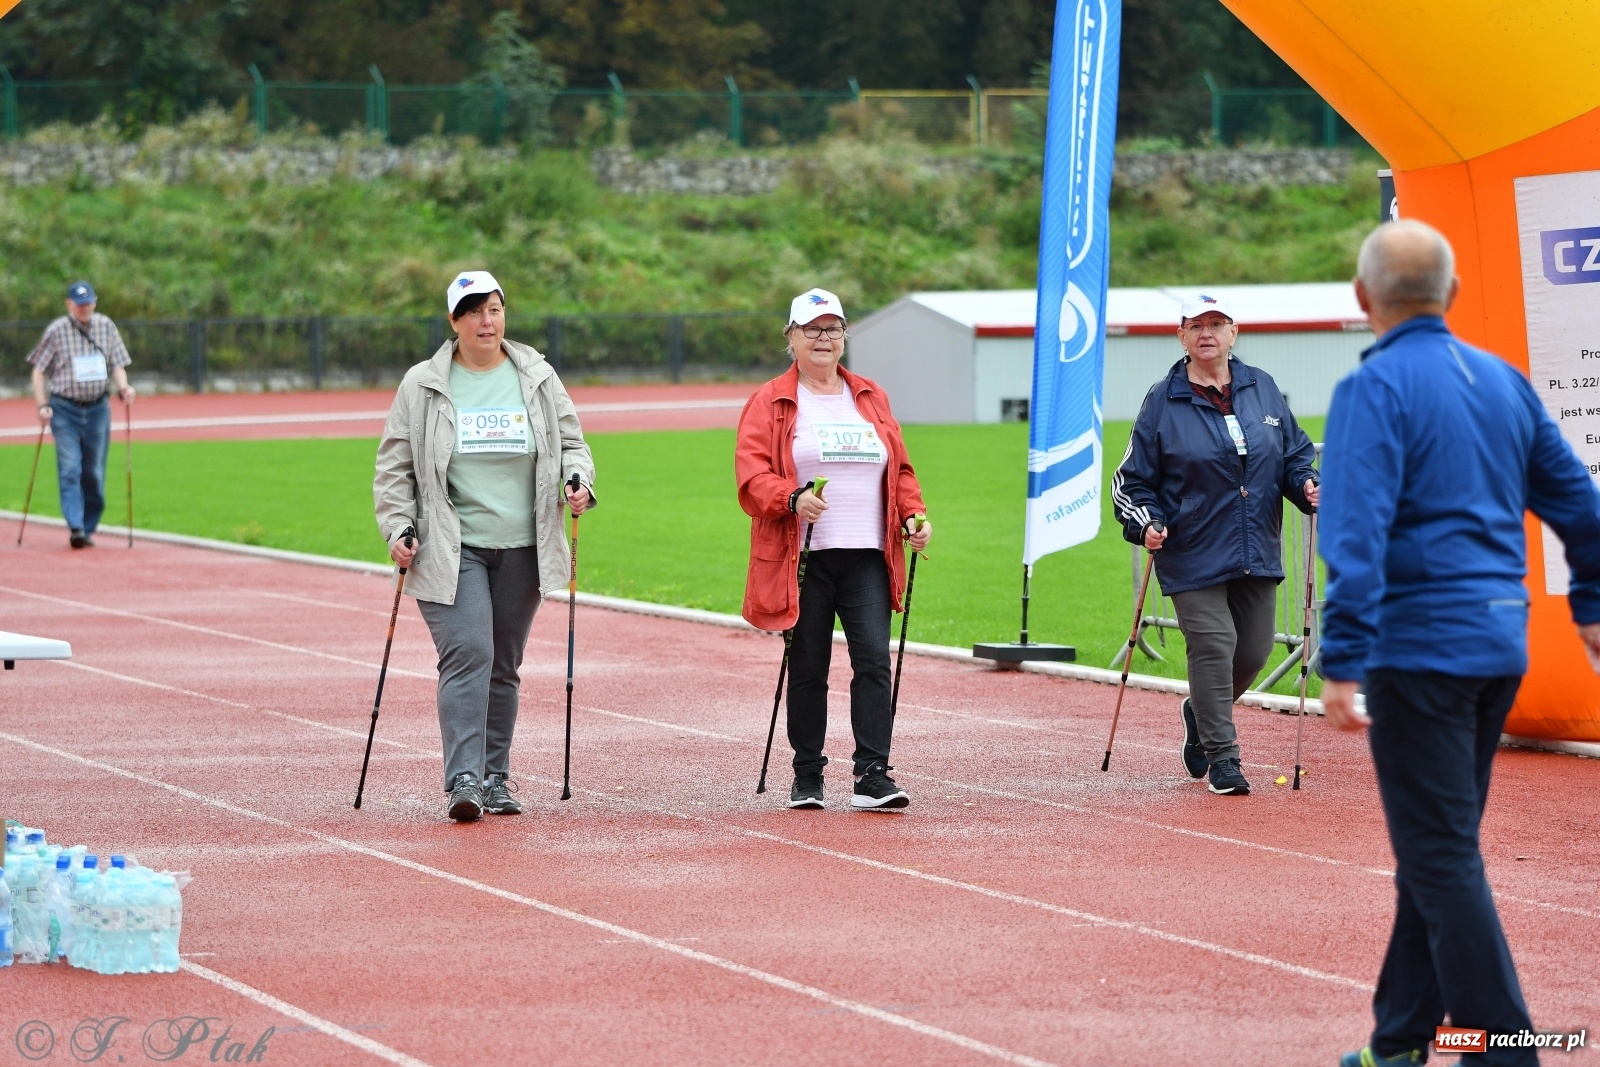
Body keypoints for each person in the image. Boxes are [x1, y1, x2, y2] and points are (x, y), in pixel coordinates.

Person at [1320, 220, 1600, 1067]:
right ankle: (1400, 1040)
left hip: (1418, 651)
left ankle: (1508, 1051)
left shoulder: (1371, 390)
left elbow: (1356, 532)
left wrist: (1340, 657)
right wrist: (1587, 598)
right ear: (1454, 294)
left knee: (1438, 850)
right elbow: (1582, 504)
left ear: (1363, 298)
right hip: (1496, 646)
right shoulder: (1503, 382)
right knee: (1437, 842)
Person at [374, 271, 596, 823]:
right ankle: (464, 778)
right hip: (452, 547)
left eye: (493, 309)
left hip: (524, 545)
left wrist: (579, 480)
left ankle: (496, 777)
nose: (485, 321)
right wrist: (398, 526)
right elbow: (394, 466)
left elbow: (573, 442)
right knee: (469, 653)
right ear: (453, 321)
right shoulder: (423, 384)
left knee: (503, 663)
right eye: (472, 312)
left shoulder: (538, 376)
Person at [1111, 293, 1320, 795]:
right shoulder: (1162, 400)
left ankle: (1200, 711)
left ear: (1233, 333)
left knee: (1252, 651)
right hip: (1192, 547)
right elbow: (1131, 480)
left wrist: (1307, 482)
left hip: (1256, 548)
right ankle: (1225, 758)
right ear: (1181, 336)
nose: (1207, 333)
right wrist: (1146, 523)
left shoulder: (1262, 389)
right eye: (1195, 325)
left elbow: (1293, 454)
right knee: (1213, 645)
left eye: (1216, 323)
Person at [736, 287, 932, 811]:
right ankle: (807, 775)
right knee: (808, 666)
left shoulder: (869, 395)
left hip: (868, 553)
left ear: (844, 337)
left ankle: (872, 774)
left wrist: (913, 514)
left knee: (873, 661)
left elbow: (902, 470)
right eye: (812, 329)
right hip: (803, 556)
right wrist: (792, 497)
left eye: (833, 329)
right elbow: (752, 478)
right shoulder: (770, 400)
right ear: (792, 338)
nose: (823, 339)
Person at [27, 281, 136, 549]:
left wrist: (123, 387)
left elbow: (117, 364)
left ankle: (87, 527)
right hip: (65, 409)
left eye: (89, 302)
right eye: (79, 303)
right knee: (70, 468)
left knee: (93, 474)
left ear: (95, 302)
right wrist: (42, 404)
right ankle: (75, 526)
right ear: (69, 304)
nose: (85, 307)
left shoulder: (106, 326)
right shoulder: (57, 331)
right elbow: (39, 370)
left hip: (98, 409)